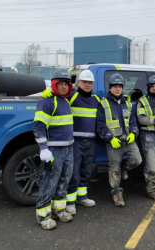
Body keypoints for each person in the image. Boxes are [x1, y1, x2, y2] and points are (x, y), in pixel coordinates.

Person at [42, 70, 100, 215]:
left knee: (86, 172)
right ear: (78, 83)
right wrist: (48, 95)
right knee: (73, 173)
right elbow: (58, 101)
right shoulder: (71, 97)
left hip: (91, 142)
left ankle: (82, 197)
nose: (87, 85)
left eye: (90, 83)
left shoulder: (97, 100)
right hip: (75, 142)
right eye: (84, 82)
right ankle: (70, 201)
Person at [33, 69, 74, 230]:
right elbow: (38, 127)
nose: (64, 87)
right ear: (54, 84)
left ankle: (59, 209)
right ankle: (43, 215)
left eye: (66, 84)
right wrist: (44, 148)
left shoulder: (65, 100)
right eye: (60, 84)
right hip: (54, 151)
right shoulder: (47, 102)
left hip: (68, 148)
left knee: (64, 180)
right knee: (49, 183)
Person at [96, 73, 142, 207]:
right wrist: (110, 138)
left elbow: (133, 122)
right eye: (115, 86)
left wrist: (134, 133)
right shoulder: (103, 103)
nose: (117, 89)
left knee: (137, 160)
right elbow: (100, 125)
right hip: (113, 142)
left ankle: (124, 169)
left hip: (128, 140)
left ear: (122, 88)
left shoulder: (127, 103)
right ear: (110, 88)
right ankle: (116, 193)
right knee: (114, 168)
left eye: (120, 86)